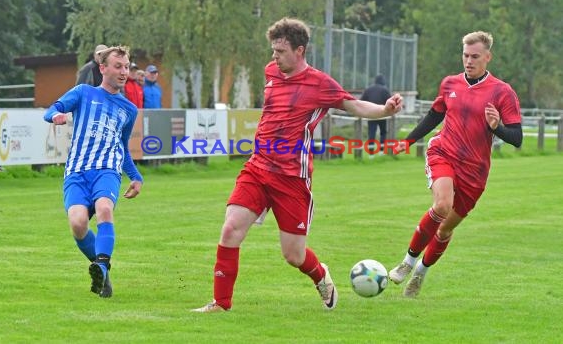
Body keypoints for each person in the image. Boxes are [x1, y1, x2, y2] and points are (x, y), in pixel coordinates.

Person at [193, 17, 403, 313]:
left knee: (293, 255)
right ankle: (220, 303)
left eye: (280, 51)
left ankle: (320, 275)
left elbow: (354, 105)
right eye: (273, 50)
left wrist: (384, 110)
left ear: (300, 50)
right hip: (257, 168)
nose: (274, 57)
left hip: (292, 178)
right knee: (230, 230)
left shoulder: (320, 83)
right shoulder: (271, 72)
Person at [388, 31, 522, 297]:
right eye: (465, 55)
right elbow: (434, 115)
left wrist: (496, 128)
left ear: (487, 57)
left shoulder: (502, 92)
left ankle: (420, 274)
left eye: (474, 56)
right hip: (443, 153)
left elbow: (517, 138)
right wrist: (408, 140)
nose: (468, 61)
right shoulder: (450, 84)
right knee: (441, 205)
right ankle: (408, 261)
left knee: (445, 228)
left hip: (475, 171)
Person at [43, 45, 143, 298]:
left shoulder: (128, 109)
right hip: (77, 171)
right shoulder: (83, 92)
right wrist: (56, 116)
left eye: (126, 67)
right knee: (77, 224)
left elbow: (122, 146)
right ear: (103, 68)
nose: (124, 72)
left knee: (105, 209)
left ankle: (101, 264)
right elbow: (51, 110)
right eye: (118, 66)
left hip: (107, 170)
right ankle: (102, 272)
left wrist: (135, 176)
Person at [360, 74, 392, 151]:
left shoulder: (368, 90)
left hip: (371, 114)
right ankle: (381, 150)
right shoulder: (385, 90)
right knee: (383, 132)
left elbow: (362, 101)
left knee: (371, 132)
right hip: (382, 114)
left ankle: (371, 152)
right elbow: (390, 101)